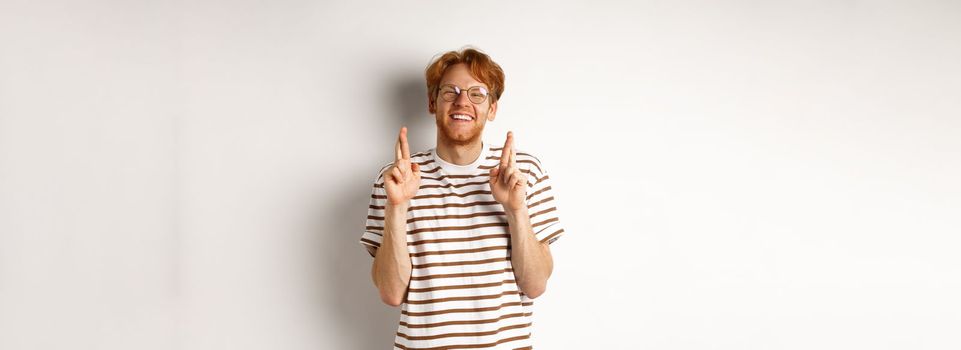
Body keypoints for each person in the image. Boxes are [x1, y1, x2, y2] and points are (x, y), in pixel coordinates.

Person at [359, 47, 565, 349]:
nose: (462, 102)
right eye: (450, 92)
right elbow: (391, 294)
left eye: (477, 93)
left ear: (492, 108)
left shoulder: (523, 173)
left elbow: (535, 285)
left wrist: (515, 209)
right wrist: (398, 207)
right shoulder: (396, 179)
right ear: (432, 102)